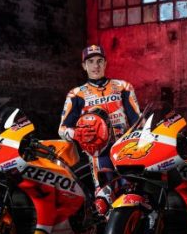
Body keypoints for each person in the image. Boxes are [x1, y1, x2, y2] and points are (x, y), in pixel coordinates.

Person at [59, 44, 141, 215]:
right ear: (84, 66)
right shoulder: (76, 95)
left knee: (133, 195)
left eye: (99, 61)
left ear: (105, 63)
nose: (95, 66)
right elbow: (63, 129)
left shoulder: (123, 87)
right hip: (98, 154)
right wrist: (76, 133)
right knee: (105, 201)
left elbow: (138, 120)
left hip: (127, 149)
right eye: (90, 62)